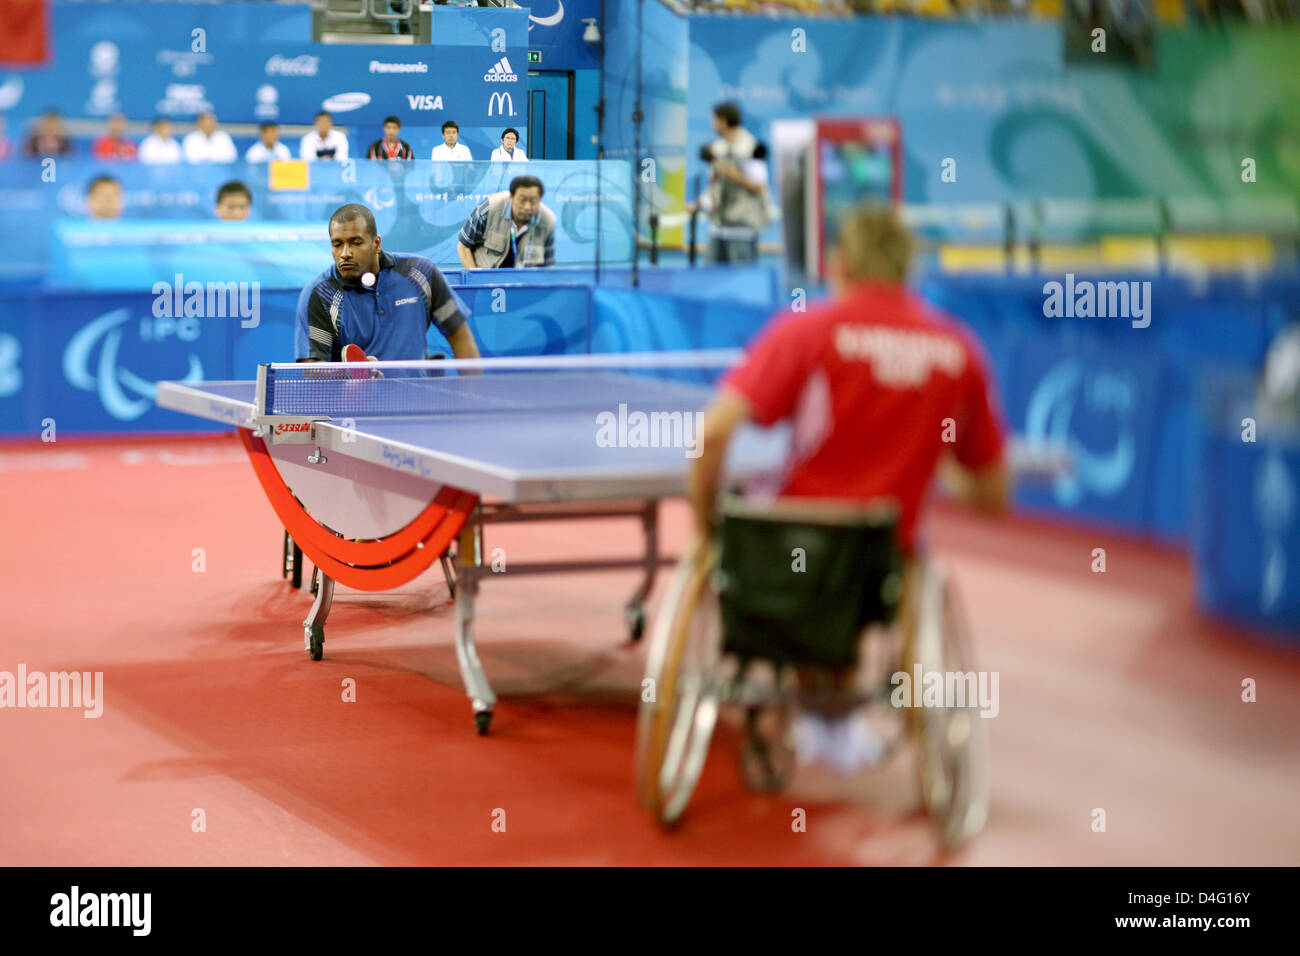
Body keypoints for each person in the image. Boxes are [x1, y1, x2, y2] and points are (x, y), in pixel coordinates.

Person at [688, 204, 1009, 774]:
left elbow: (713, 430)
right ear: (909, 266)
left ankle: (814, 709)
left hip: (778, 561)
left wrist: (702, 528)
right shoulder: (957, 350)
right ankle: (839, 717)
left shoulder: (808, 332)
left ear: (840, 263)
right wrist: (943, 468)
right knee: (888, 566)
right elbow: (993, 495)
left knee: (777, 553)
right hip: (877, 569)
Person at [296, 203, 480, 363]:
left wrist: (471, 394)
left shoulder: (420, 273)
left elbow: (460, 336)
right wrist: (352, 372)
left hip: (418, 399)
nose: (345, 253)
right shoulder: (320, 293)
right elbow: (311, 367)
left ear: (376, 244)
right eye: (337, 244)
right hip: (357, 403)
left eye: (356, 243)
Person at [686, 101, 771, 265]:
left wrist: (735, 174)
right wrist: (700, 204)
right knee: (711, 279)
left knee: (742, 279)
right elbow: (715, 185)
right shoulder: (718, 148)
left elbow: (760, 185)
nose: (712, 124)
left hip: (742, 228)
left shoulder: (751, 147)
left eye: (714, 120)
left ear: (723, 122)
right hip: (718, 228)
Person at [456, 175, 555, 269]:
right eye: (522, 200)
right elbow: (463, 247)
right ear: (511, 197)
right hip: (487, 280)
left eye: (533, 201)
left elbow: (547, 269)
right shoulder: (489, 209)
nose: (527, 207)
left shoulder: (547, 221)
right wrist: (475, 276)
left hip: (525, 282)